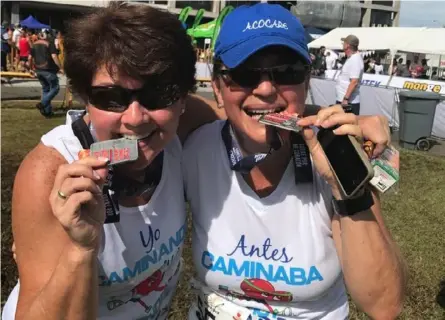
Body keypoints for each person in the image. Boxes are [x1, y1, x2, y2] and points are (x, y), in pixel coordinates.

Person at [3, 3, 395, 320]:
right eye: (110, 98)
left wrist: (344, 127)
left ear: (183, 97)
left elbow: (254, 114)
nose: (136, 118)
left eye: (159, 94)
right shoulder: (53, 174)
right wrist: (79, 251)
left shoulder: (182, 127)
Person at [183, 4, 405, 320]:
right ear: (217, 88)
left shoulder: (334, 157)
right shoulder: (195, 146)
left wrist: (346, 188)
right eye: (245, 74)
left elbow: (384, 306)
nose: (265, 89)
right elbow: (147, 103)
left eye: (287, 72)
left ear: (306, 83)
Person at [31, 31, 62, 118]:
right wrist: (60, 67)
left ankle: (47, 112)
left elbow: (30, 57)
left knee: (46, 89)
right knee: (55, 88)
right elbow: (54, 56)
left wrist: (31, 68)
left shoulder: (34, 44)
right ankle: (43, 104)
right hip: (48, 69)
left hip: (38, 69)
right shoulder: (49, 44)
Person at [335, 34, 364, 115]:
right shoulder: (352, 58)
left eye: (343, 43)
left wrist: (345, 99)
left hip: (348, 102)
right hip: (344, 100)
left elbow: (354, 81)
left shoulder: (355, 59)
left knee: (346, 126)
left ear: (347, 45)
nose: (342, 44)